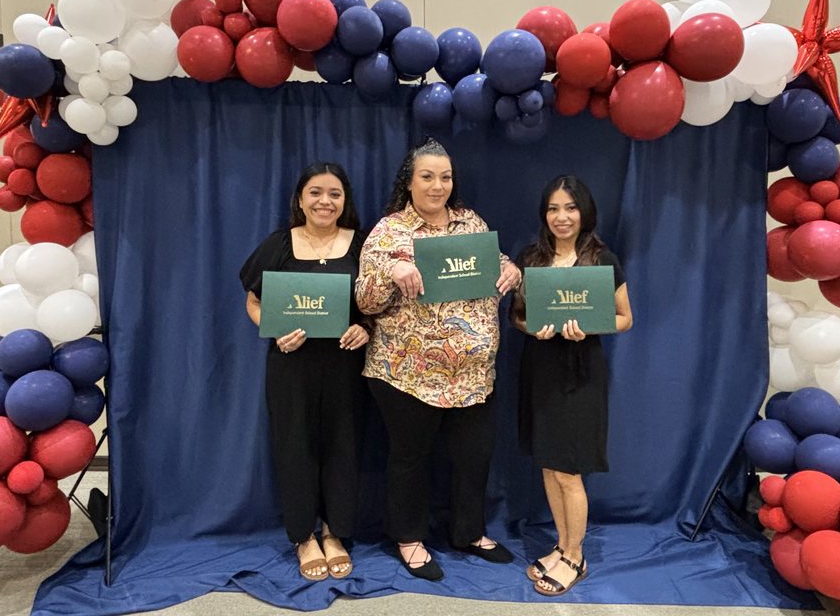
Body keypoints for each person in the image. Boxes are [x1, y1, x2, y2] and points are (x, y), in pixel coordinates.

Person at [355, 137, 521, 581]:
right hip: (406, 374)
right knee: (411, 457)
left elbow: (496, 263)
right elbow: (365, 302)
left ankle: (468, 532)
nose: (437, 185)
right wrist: (392, 271)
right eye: (427, 176)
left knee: (474, 456)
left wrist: (511, 269)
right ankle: (409, 539)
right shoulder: (388, 232)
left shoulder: (470, 223)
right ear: (408, 182)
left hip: (473, 376)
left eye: (445, 177)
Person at [239, 162, 370, 582]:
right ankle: (303, 537)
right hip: (291, 365)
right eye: (315, 192)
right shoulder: (280, 243)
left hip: (347, 367)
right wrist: (274, 331)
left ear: (344, 200)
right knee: (294, 448)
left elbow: (381, 306)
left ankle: (335, 533)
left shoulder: (364, 246)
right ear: (300, 199)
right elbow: (253, 302)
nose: (324, 201)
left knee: (343, 448)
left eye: (334, 193)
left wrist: (364, 329)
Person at [511, 175, 633, 596]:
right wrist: (533, 330)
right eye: (553, 208)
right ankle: (561, 545)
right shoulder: (531, 257)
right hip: (541, 367)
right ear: (544, 214)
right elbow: (518, 316)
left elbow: (624, 318)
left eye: (570, 208)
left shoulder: (603, 259)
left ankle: (575, 557)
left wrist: (591, 326)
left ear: (584, 212)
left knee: (569, 469)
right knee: (549, 463)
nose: (561, 217)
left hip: (581, 371)